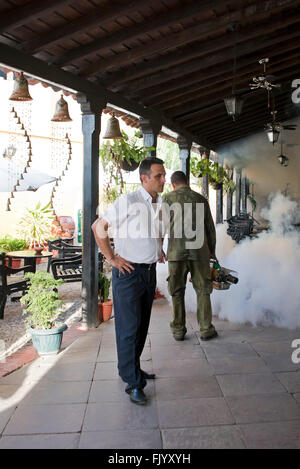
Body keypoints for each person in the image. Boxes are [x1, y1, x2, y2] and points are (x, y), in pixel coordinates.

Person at [92, 157, 166, 405]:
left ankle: (132, 368)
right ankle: (133, 382)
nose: (163, 179)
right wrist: (111, 258)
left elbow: (151, 232)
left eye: (164, 175)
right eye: (158, 176)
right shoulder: (128, 201)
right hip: (129, 273)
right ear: (144, 178)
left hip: (148, 272)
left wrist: (158, 249)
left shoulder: (158, 203)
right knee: (129, 329)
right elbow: (98, 227)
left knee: (142, 326)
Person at [162, 170, 218, 341]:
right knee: (203, 290)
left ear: (173, 184)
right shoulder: (200, 199)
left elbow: (160, 227)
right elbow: (210, 228)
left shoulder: (167, 199)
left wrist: (159, 248)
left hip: (176, 253)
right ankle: (206, 329)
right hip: (199, 252)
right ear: (186, 182)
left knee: (177, 291)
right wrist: (212, 250)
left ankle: (179, 330)